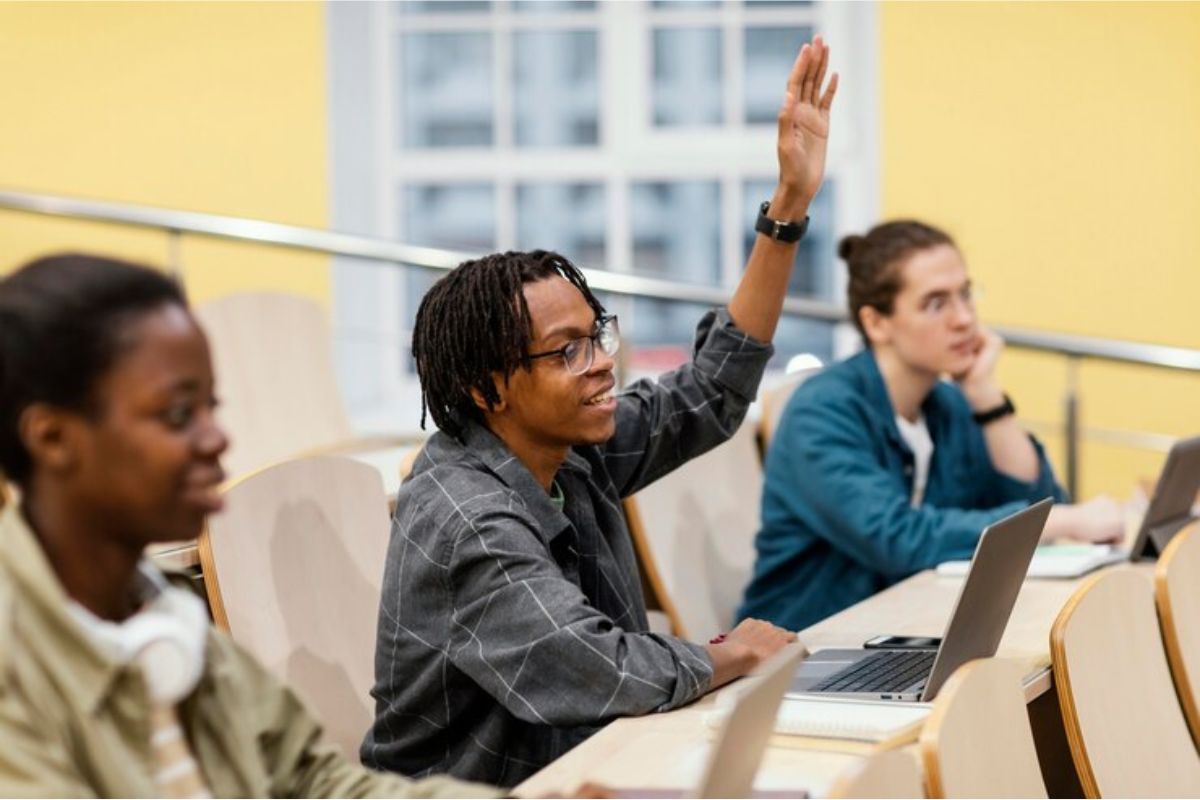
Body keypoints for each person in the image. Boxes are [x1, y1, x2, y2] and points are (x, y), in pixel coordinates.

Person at [362, 37, 838, 788]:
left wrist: (788, 207)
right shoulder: (467, 518)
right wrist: (730, 653)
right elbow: (595, 667)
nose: (602, 363)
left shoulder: (566, 448)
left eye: (598, 335)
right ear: (489, 389)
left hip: (585, 766)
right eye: (567, 352)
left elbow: (711, 393)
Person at [0, 254, 501, 798]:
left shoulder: (167, 621)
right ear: (52, 440)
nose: (217, 438)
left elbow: (317, 781)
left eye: (211, 407)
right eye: (177, 414)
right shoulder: (16, 661)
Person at [738, 220, 1126, 632]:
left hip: (906, 630)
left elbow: (1042, 502)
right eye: (936, 303)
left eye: (965, 294)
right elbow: (897, 538)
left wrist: (987, 398)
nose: (964, 319)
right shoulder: (821, 411)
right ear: (876, 323)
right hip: (805, 646)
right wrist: (1058, 522)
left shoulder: (947, 404)